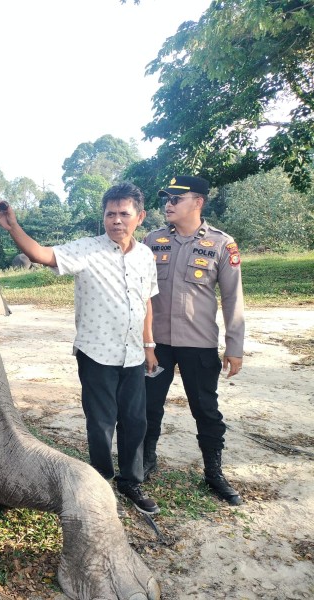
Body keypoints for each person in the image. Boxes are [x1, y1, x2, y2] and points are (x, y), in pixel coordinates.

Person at [0, 183, 160, 515]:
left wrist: (149, 344)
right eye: (110, 214)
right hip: (96, 353)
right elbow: (41, 253)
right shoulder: (87, 250)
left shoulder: (145, 256)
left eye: (124, 214)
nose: (116, 221)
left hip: (134, 355)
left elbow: (146, 302)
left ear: (139, 217)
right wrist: (12, 226)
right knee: (100, 424)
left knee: (136, 421)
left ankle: (131, 481)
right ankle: (100, 481)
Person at [142, 175, 244, 506]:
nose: (168, 204)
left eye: (176, 199)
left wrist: (235, 346)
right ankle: (145, 461)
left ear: (197, 203)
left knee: (205, 408)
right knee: (147, 406)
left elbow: (232, 298)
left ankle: (214, 472)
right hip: (155, 345)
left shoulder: (221, 244)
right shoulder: (151, 241)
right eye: (166, 198)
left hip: (198, 343)